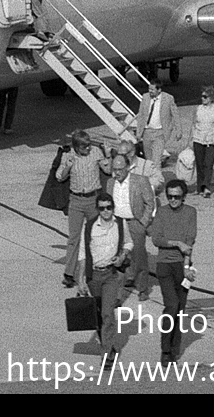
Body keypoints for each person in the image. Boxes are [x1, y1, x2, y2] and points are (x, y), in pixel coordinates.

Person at [75, 192, 133, 355]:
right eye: (102, 208)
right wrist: (80, 280)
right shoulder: (89, 227)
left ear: (113, 208)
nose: (106, 211)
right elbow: (82, 254)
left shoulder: (121, 224)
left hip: (111, 274)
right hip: (94, 276)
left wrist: (122, 256)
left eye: (109, 207)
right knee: (98, 314)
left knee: (108, 313)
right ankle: (107, 343)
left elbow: (129, 242)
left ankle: (107, 352)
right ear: (97, 209)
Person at [148, 179, 196, 365]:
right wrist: (176, 243)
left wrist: (186, 266)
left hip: (182, 265)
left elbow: (190, 240)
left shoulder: (191, 212)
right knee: (172, 305)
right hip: (164, 265)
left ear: (183, 196)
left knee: (180, 309)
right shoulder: (161, 212)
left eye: (177, 196)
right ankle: (165, 349)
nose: (173, 200)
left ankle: (175, 348)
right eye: (170, 196)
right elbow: (156, 239)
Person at [55, 130, 110, 287]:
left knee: (94, 235)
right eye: (84, 147)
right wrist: (67, 167)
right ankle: (69, 273)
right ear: (76, 146)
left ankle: (95, 269)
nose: (87, 149)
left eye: (88, 145)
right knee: (74, 237)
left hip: (93, 199)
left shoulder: (96, 152)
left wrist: (107, 155)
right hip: (76, 200)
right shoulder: (69, 156)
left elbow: (108, 170)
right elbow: (59, 177)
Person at [105, 146, 157, 302]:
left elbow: (150, 203)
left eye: (120, 169)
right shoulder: (110, 183)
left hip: (134, 222)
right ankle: (119, 292)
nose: (117, 173)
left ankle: (142, 287)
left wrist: (143, 222)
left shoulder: (140, 181)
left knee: (139, 256)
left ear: (127, 167)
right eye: (115, 169)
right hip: (117, 222)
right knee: (117, 257)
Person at [134, 81, 183, 168]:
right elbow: (141, 115)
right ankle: (150, 179)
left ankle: (156, 178)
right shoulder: (145, 97)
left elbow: (175, 115)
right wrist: (138, 132)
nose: (150, 91)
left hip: (159, 133)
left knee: (156, 161)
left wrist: (179, 131)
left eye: (152, 89)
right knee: (149, 161)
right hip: (147, 132)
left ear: (159, 90)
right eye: (149, 89)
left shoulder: (168, 98)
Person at [190, 87, 214, 197]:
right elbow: (193, 124)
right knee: (200, 164)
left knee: (209, 164)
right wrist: (190, 140)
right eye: (201, 96)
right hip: (198, 139)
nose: (202, 99)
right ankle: (199, 187)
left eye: (205, 97)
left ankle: (206, 187)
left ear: (211, 98)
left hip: (212, 139)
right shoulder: (198, 108)